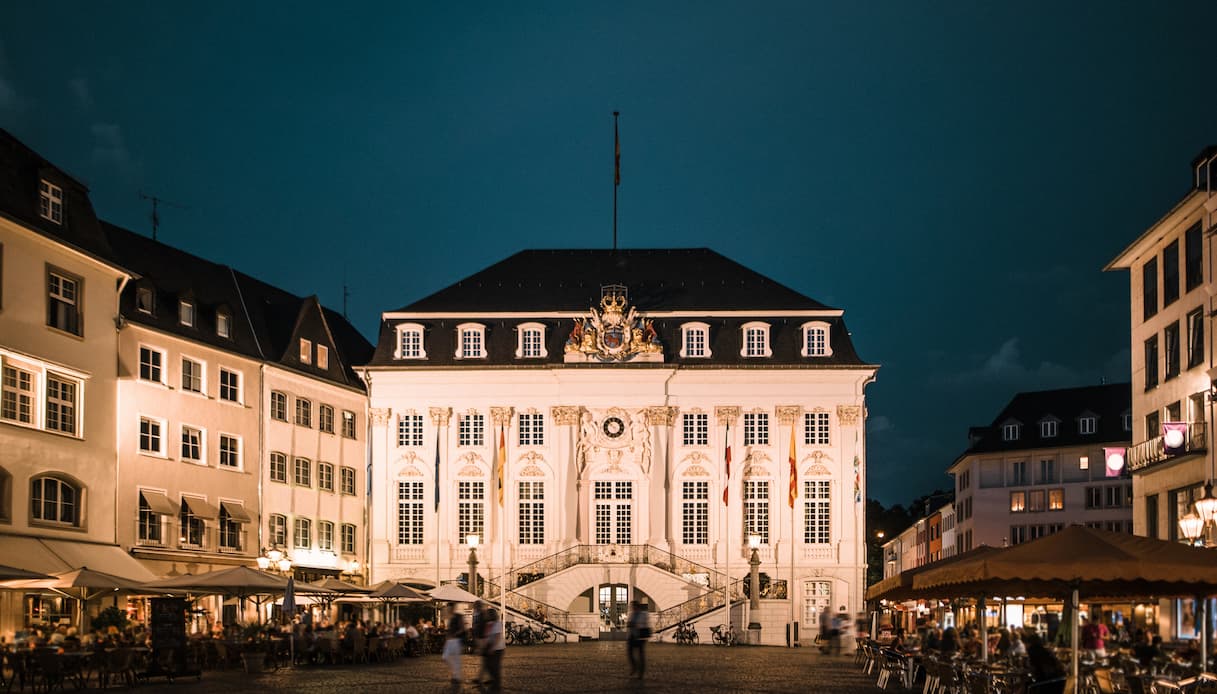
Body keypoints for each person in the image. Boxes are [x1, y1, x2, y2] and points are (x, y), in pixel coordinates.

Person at [480, 607, 506, 692]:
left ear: (491, 615)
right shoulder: (488, 624)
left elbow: (497, 637)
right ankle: (493, 681)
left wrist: (492, 648)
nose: (485, 616)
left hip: (498, 648)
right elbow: (486, 636)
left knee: (495, 667)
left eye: (487, 614)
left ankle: (496, 686)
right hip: (490, 646)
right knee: (488, 665)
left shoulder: (497, 623)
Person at [442, 604, 467, 692]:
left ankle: (457, 676)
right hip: (450, 641)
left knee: (456, 659)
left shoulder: (458, 616)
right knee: (445, 657)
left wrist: (455, 634)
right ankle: (456, 674)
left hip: (456, 640)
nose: (447, 610)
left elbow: (463, 628)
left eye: (448, 608)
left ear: (452, 608)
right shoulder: (450, 617)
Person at [626, 600, 651, 679]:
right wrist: (630, 624)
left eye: (632, 606)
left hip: (640, 636)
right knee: (629, 653)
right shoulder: (631, 614)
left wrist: (635, 624)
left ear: (637, 606)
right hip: (632, 636)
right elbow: (629, 623)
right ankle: (634, 667)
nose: (632, 608)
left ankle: (641, 673)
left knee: (641, 655)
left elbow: (645, 624)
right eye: (631, 607)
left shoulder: (644, 614)